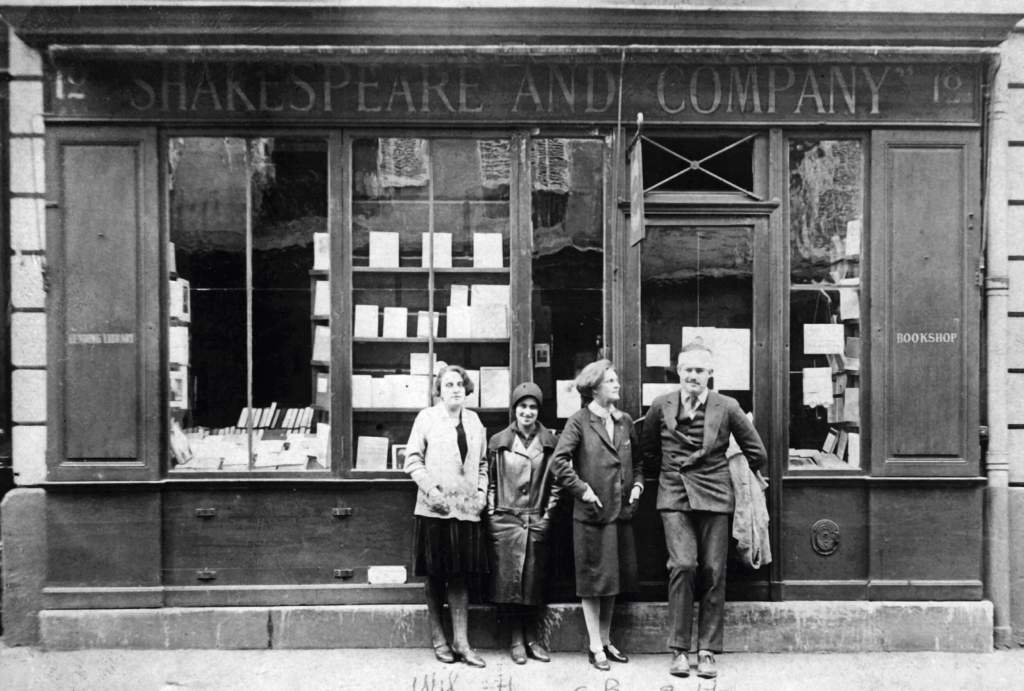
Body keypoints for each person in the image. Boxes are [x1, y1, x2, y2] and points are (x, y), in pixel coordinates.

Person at [640, 341, 767, 679]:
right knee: (682, 565)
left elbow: (757, 452)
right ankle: (680, 650)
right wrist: (668, 475)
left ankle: (707, 650)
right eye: (687, 370)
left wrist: (738, 477)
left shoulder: (727, 406)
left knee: (713, 571)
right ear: (678, 372)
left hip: (715, 495)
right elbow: (648, 450)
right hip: (674, 494)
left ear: (710, 374)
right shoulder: (660, 405)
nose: (693, 376)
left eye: (700, 370)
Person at [550, 359, 644, 671]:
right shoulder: (579, 421)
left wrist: (638, 486)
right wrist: (583, 490)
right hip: (592, 515)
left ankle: (605, 640)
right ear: (594, 388)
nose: (617, 384)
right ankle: (593, 645)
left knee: (612, 581)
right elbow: (559, 463)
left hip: (620, 514)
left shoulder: (625, 421)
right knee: (593, 582)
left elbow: (639, 462)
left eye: (616, 379)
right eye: (611, 381)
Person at [404, 364, 490, 668]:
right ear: (439, 391)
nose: (454, 389)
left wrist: (482, 495)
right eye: (448, 385)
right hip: (434, 510)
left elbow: (482, 465)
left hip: (466, 512)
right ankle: (439, 639)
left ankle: (462, 643)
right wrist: (432, 491)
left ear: (466, 389)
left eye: (459, 384)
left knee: (460, 576)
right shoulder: (427, 418)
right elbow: (412, 460)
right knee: (435, 576)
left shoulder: (475, 421)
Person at [486, 382, 562, 665]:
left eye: (532, 407)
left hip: (535, 518)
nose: (527, 412)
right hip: (506, 520)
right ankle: (515, 638)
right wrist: (493, 515)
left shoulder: (551, 443)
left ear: (538, 411)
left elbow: (556, 485)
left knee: (533, 583)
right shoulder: (498, 442)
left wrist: (547, 517)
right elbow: (491, 482)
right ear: (514, 409)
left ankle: (532, 637)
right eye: (522, 407)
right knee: (509, 585)